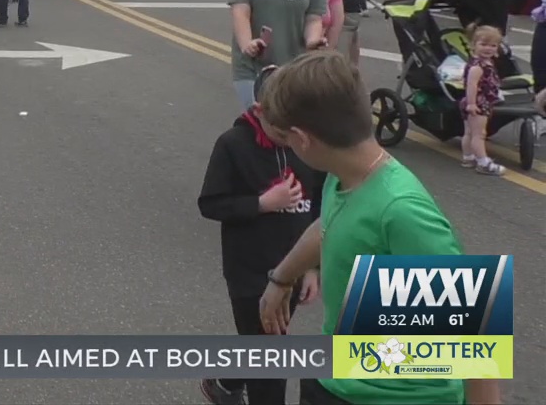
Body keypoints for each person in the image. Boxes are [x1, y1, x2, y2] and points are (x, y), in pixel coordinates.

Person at [256, 51, 501, 405]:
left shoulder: (400, 210)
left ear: (302, 137)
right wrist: (281, 278)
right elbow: (328, 225)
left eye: (286, 139)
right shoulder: (344, 175)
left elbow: (473, 335)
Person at [199, 66, 322, 405]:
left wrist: (312, 267)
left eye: (296, 130)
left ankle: (225, 381)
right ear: (259, 110)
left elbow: (319, 209)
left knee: (261, 343)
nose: (291, 139)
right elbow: (211, 203)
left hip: (294, 266)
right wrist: (262, 203)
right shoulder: (232, 144)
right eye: (282, 131)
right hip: (249, 270)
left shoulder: (307, 146)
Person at [460, 25, 506, 176]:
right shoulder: (478, 67)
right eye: (483, 44)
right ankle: (483, 162)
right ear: (474, 45)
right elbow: (472, 86)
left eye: (493, 45)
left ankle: (468, 157)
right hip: (478, 103)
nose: (488, 48)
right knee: (479, 134)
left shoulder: (486, 62)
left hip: (475, 102)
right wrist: (472, 104)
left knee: (469, 132)